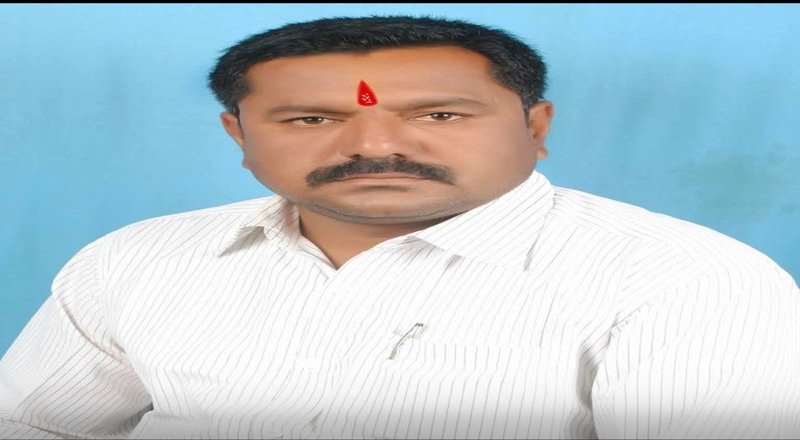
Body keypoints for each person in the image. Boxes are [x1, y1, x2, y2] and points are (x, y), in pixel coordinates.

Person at [1, 15, 798, 440]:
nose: (375, 145)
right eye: (312, 118)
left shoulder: (685, 281)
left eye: (440, 115)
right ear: (238, 137)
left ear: (537, 127)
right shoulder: (135, 260)